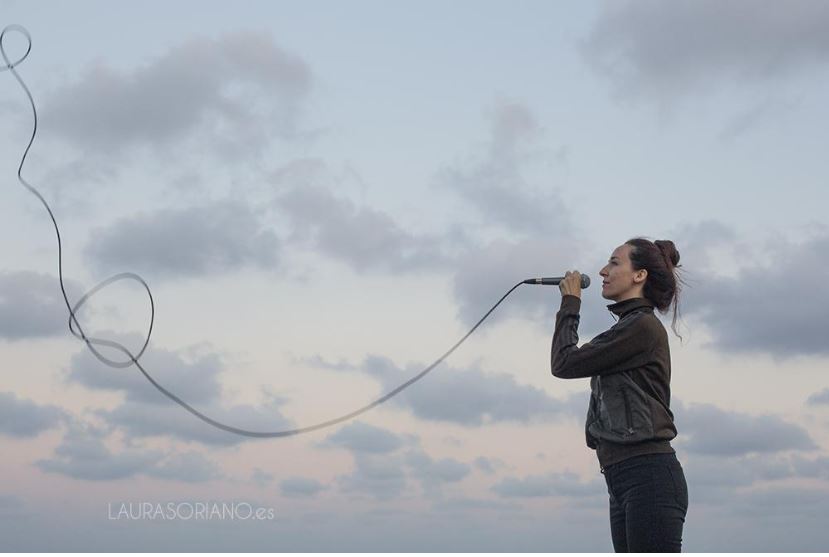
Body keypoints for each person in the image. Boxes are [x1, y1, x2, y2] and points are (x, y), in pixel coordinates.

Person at [550, 237, 689, 552]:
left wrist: (570, 303)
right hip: (623, 477)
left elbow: (564, 362)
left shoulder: (642, 328)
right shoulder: (625, 329)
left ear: (639, 275)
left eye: (614, 263)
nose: (603, 271)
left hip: (648, 476)